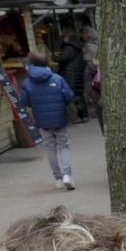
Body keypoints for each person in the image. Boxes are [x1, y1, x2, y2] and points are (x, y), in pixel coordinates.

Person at [18, 51, 79, 190]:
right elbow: (69, 96)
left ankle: (57, 178)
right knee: (63, 146)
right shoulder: (57, 78)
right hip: (60, 119)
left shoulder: (27, 83)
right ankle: (67, 176)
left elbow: (24, 101)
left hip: (42, 121)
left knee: (50, 149)